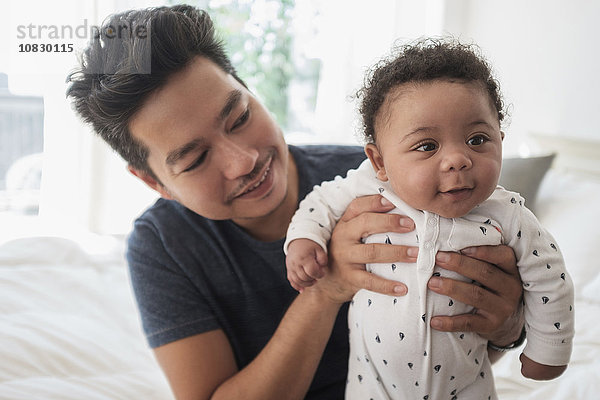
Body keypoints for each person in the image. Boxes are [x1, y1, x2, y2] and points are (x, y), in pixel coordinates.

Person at [66, 5, 525, 400]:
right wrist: (325, 291)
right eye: (197, 158)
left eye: (240, 117)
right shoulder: (163, 246)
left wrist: (506, 329)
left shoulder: (386, 180)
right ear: (154, 182)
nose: (243, 161)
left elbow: (463, 346)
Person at [284, 39, 574, 399]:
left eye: (477, 139)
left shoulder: (508, 215)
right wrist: (304, 239)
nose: (457, 159)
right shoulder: (369, 187)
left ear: (500, 140)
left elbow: (551, 278)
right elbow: (320, 202)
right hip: (373, 386)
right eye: (427, 146)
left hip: (466, 387)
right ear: (380, 162)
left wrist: (548, 350)